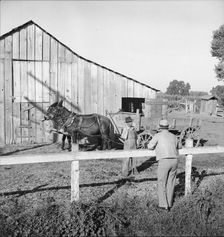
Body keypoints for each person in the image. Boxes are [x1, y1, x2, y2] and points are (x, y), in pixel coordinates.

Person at [147, 119, 179, 211]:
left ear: (160, 128)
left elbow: (150, 146)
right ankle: (169, 204)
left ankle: (163, 205)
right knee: (171, 182)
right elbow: (179, 146)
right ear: (168, 127)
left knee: (161, 182)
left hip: (164, 160)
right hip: (174, 160)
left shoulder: (158, 136)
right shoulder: (173, 136)